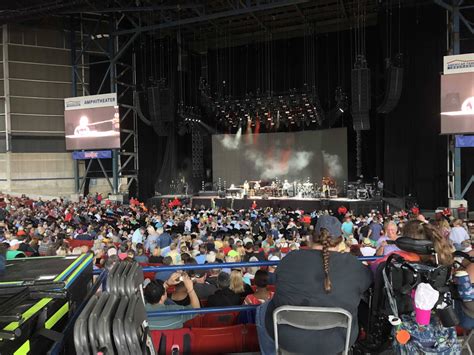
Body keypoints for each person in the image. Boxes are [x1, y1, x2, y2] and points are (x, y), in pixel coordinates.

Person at [255, 215, 372, 355]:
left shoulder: (291, 258)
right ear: (340, 241)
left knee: (261, 309)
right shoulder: (354, 265)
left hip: (289, 340)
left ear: (311, 237)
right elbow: (368, 283)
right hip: (337, 342)